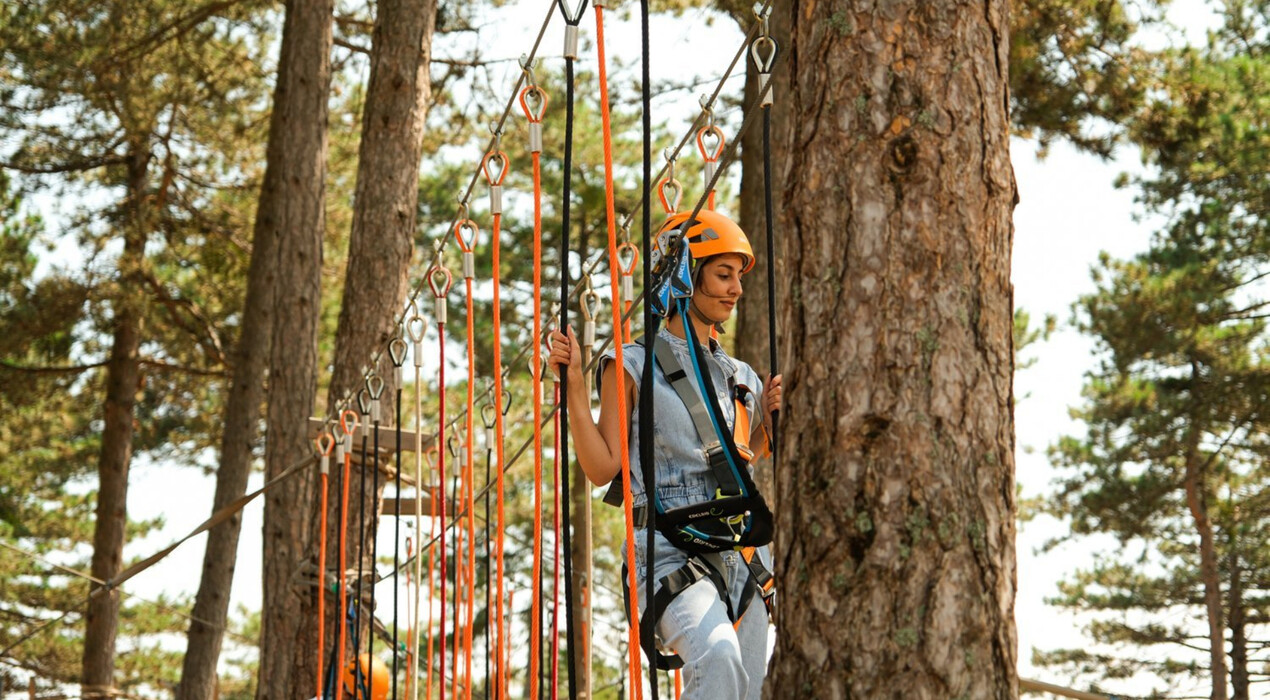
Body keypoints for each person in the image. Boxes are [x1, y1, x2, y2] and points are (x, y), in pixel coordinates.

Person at [549, 209, 782, 700]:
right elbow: (601, 467)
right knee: (716, 657)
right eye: (723, 274)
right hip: (667, 550)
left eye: (738, 276)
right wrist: (573, 386)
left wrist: (775, 420)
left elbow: (745, 460)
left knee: (756, 687)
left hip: (744, 554)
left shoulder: (742, 377)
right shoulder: (631, 364)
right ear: (682, 274)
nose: (736, 289)